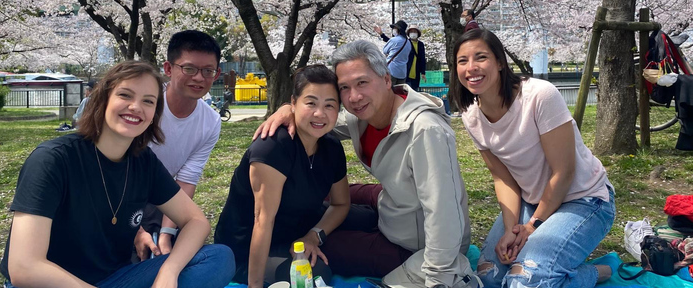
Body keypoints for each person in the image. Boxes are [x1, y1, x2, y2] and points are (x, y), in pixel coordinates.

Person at [256, 40, 475, 288]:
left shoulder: (426, 131)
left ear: (386, 79)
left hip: (416, 242)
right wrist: (289, 109)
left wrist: (437, 276)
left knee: (331, 244)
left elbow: (443, 212)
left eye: (362, 83)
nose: (354, 97)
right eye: (344, 88)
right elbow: (320, 121)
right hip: (394, 202)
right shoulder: (362, 116)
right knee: (326, 196)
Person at [0, 60, 235, 288]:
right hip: (51, 283)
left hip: (115, 278)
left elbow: (196, 221)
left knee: (218, 258)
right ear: (103, 100)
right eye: (125, 95)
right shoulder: (53, 159)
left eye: (148, 101)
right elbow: (24, 267)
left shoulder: (144, 162)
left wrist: (169, 271)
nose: (136, 107)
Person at [450, 28, 615, 288]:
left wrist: (531, 227)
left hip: (584, 200)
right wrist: (510, 228)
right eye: (462, 61)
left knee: (523, 282)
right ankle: (559, 269)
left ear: (500, 62)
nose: (471, 68)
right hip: (531, 202)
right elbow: (503, 179)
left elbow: (564, 171)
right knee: (488, 277)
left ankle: (593, 273)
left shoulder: (539, 95)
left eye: (480, 57)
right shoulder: (472, 116)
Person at [215, 65, 350, 287]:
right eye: (311, 103)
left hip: (297, 230)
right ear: (293, 103)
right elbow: (262, 221)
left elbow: (342, 203)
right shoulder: (273, 147)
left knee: (366, 219)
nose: (320, 113)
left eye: (329, 105)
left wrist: (312, 236)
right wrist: (254, 284)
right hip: (248, 249)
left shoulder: (331, 146)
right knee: (314, 276)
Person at [135, 30, 223, 259]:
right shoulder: (145, 105)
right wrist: (135, 230)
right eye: (189, 69)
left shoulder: (211, 121)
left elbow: (186, 180)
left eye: (208, 71)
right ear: (168, 69)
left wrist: (166, 233)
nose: (199, 78)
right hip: (115, 196)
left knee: (203, 253)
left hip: (161, 199)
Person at [374, 19, 411, 86]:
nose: (393, 29)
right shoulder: (408, 43)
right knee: (399, 93)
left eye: (394, 28)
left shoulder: (394, 40)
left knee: (389, 91)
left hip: (392, 70)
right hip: (402, 72)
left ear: (398, 29)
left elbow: (385, 50)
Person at [405, 26, 426, 91]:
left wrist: (423, 72)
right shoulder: (406, 43)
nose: (413, 33)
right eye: (411, 32)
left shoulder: (420, 44)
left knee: (414, 91)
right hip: (406, 72)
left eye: (414, 32)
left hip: (416, 73)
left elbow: (422, 58)